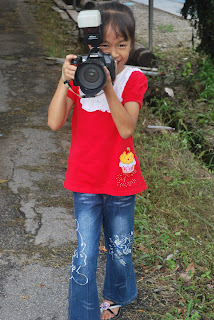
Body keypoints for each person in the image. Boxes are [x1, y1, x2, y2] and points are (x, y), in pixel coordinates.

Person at [48, 1, 148, 319]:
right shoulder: (82, 74)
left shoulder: (133, 78)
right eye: (105, 44)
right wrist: (64, 81)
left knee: (120, 249)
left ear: (132, 44)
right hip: (86, 181)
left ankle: (117, 294)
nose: (115, 52)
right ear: (92, 44)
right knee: (85, 254)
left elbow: (125, 127)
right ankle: (84, 313)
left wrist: (107, 87)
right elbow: (53, 123)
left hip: (121, 180)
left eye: (122, 44)